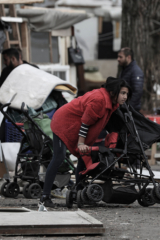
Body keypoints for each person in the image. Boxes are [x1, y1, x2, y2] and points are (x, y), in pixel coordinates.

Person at [39, 77, 132, 207]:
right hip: (63, 123)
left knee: (84, 157)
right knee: (59, 157)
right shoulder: (99, 100)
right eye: (122, 93)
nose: (125, 97)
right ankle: (45, 196)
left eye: (126, 93)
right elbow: (85, 123)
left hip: (73, 125)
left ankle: (78, 192)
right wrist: (81, 144)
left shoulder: (111, 101)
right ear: (112, 92)